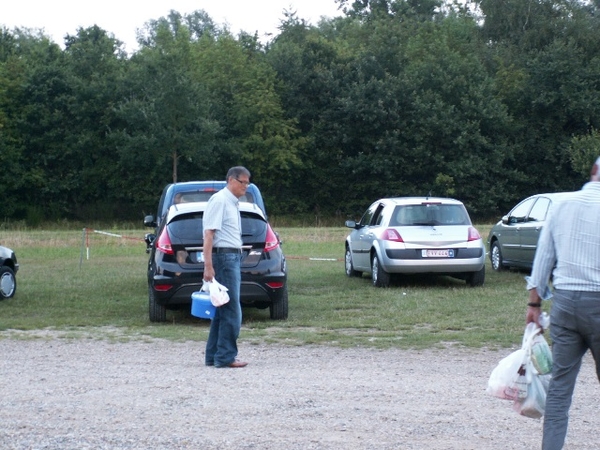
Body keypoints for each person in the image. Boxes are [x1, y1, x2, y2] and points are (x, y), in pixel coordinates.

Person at [526, 156, 600, 449]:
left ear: (593, 171)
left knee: (560, 389)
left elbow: (543, 257)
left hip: (566, 304)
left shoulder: (563, 205)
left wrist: (534, 305)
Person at [202, 166, 251, 368]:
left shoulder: (233, 203)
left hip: (231, 257)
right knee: (232, 310)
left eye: (248, 183)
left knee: (222, 310)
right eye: (243, 182)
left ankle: (214, 356)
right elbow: (209, 234)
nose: (245, 187)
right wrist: (208, 266)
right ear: (231, 180)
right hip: (224, 258)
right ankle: (226, 356)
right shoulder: (220, 200)